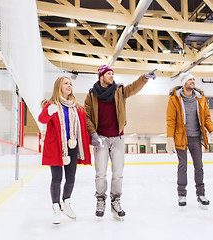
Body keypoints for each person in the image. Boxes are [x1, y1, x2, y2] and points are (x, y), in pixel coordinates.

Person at [84, 65, 157, 219]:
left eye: (112, 73)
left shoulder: (119, 90)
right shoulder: (91, 95)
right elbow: (87, 116)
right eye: (108, 73)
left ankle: (115, 201)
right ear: (101, 76)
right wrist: (93, 134)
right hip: (101, 139)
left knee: (117, 173)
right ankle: (100, 200)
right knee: (100, 174)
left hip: (117, 138)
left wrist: (144, 78)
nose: (112, 76)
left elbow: (133, 88)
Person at [38, 76, 91, 224]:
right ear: (58, 86)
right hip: (56, 146)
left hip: (72, 146)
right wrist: (48, 112)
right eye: (66, 83)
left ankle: (66, 203)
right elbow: (42, 120)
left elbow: (84, 127)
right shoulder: (51, 104)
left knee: (71, 177)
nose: (69, 86)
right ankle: (56, 209)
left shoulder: (77, 107)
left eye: (71, 84)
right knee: (56, 178)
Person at [166, 72, 213, 207]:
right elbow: (171, 120)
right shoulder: (175, 98)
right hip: (181, 137)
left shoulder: (200, 98)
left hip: (196, 137)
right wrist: (170, 138)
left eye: (194, 79)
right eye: (190, 79)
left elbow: (206, 117)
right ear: (184, 82)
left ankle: (201, 194)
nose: (193, 81)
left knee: (199, 166)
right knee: (182, 166)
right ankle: (182, 195)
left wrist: (212, 131)